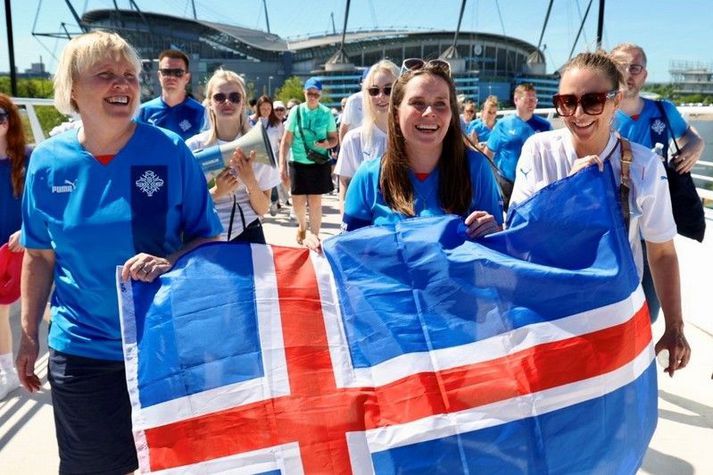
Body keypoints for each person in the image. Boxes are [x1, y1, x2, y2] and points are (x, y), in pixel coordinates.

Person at [15, 31, 222, 474]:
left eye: (129, 75)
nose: (122, 85)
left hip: (163, 343)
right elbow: (38, 255)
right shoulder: (48, 161)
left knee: (171, 464)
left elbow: (209, 238)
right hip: (82, 348)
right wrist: (29, 333)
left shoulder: (168, 151)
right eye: (105, 75)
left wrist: (170, 262)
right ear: (72, 89)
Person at [509, 51, 690, 377]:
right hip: (552, 310)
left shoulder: (645, 167)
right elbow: (519, 233)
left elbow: (661, 251)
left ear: (615, 101)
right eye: (567, 102)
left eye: (592, 101)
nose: (578, 114)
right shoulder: (539, 150)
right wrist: (567, 194)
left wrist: (675, 327)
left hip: (615, 312)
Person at [337, 59, 503, 239]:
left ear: (452, 115)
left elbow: (497, 251)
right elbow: (349, 255)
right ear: (395, 114)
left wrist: (492, 232)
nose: (430, 112)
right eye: (418, 103)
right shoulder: (368, 178)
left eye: (440, 104)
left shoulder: (475, 169)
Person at [610, 43, 706, 320]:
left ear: (644, 74)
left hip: (651, 228)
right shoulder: (602, 112)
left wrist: (696, 145)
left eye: (635, 67)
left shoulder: (662, 111)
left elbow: (689, 135)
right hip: (611, 226)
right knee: (612, 308)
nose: (628, 73)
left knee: (649, 312)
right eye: (621, 66)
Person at [186, 72, 279, 243]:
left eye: (235, 97)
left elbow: (263, 209)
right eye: (219, 97)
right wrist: (216, 192)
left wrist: (250, 181)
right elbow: (183, 205)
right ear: (209, 104)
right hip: (204, 235)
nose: (227, 102)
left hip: (248, 232)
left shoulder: (260, 145)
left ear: (243, 102)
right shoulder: (193, 147)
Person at [279, 77, 338, 245]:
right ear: (304, 93)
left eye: (316, 94)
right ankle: (302, 226)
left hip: (318, 163)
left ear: (320, 95)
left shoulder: (326, 113)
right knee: (298, 202)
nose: (312, 97)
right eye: (309, 93)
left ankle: (315, 236)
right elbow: (286, 140)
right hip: (297, 161)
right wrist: (282, 165)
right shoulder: (296, 111)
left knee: (315, 201)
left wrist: (327, 143)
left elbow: (334, 138)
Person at [335, 60, 399, 213]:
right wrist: (346, 217)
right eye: (374, 91)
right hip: (365, 222)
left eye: (388, 90)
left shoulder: (414, 137)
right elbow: (345, 181)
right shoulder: (353, 139)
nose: (380, 96)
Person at [0, 94, 28, 400]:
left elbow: (44, 203)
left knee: (45, 309)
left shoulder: (29, 158)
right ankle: (6, 373)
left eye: (1, 116)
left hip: (27, 247)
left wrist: (27, 231)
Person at [484, 83, 551, 182]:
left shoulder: (545, 126)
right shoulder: (502, 125)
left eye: (534, 100)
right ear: (516, 100)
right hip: (505, 183)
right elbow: (488, 153)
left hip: (533, 184)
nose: (532, 103)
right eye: (528, 100)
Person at [136, 49, 205, 139]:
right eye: (166, 72)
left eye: (178, 73)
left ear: (187, 78)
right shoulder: (143, 112)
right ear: (159, 76)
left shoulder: (200, 112)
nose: (172, 77)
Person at [253, 94, 288, 217]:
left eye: (268, 108)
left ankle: (273, 202)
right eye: (263, 108)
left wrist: (282, 158)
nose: (266, 111)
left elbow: (281, 141)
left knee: (270, 182)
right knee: (256, 183)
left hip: (271, 156)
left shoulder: (277, 124)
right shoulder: (251, 121)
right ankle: (258, 209)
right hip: (255, 157)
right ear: (258, 108)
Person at [339, 68, 369, 141]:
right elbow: (343, 128)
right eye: (367, 82)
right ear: (362, 83)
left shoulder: (382, 100)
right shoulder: (353, 100)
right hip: (355, 147)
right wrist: (343, 150)